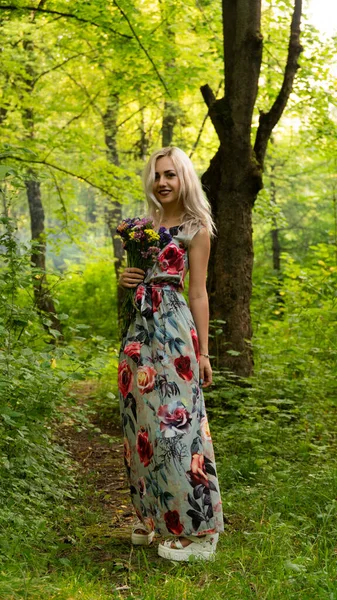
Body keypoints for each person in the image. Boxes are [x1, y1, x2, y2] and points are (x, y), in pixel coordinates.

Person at [118, 146, 224, 561]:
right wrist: (124, 279)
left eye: (171, 175)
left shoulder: (197, 227)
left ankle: (199, 532)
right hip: (137, 332)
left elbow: (197, 291)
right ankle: (154, 517)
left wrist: (205, 353)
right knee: (139, 425)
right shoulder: (138, 228)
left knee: (176, 428)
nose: (162, 182)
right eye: (157, 175)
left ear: (184, 179)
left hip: (174, 330)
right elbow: (131, 283)